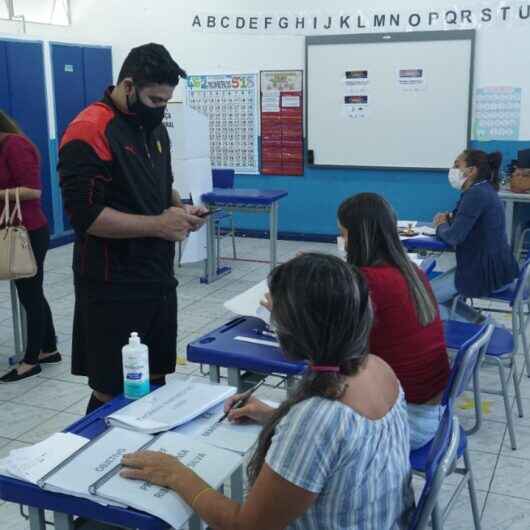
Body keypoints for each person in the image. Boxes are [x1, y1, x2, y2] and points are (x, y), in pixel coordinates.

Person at [120, 254, 414, 530]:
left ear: (293, 331)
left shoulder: (317, 417)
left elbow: (247, 525)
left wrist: (175, 474)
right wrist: (274, 415)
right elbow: (343, 444)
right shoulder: (378, 368)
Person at [57, 43, 207, 414]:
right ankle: (93, 464)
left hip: (155, 275)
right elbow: (86, 217)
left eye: (165, 102)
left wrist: (178, 208)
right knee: (114, 388)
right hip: (111, 284)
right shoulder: (89, 130)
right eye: (154, 100)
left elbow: (159, 184)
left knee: (153, 379)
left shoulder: (153, 128)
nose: (160, 110)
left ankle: (145, 458)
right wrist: (159, 224)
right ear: (127, 86)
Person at [337, 193, 450, 449]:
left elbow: (326, 344)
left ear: (357, 237)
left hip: (404, 423)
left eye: (343, 234)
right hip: (430, 412)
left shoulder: (367, 283)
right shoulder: (411, 270)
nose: (342, 241)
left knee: (308, 421)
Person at [0, 110, 60, 383]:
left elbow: (33, 190)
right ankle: (49, 348)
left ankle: (30, 360)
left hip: (28, 231)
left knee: (30, 295)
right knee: (31, 291)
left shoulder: (16, 145)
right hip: (14, 229)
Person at [432, 150, 519, 320]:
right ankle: (482, 323)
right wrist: (449, 218)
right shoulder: (482, 189)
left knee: (424, 299)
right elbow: (465, 219)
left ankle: (480, 332)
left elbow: (453, 237)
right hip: (495, 267)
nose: (453, 170)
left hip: (487, 273)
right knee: (432, 295)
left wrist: (440, 225)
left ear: (471, 171)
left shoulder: (475, 194)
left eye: (457, 165)